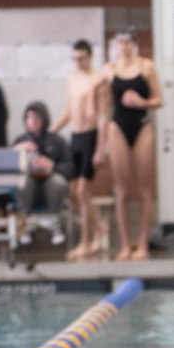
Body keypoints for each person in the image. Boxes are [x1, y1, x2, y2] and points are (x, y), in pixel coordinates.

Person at [98, 28, 162, 261]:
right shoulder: (108, 70)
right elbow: (104, 107)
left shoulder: (146, 66)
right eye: (119, 43)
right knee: (122, 190)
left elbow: (159, 100)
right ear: (114, 46)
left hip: (142, 125)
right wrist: (99, 146)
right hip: (117, 127)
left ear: (134, 44)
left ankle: (143, 244)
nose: (123, 47)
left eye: (127, 43)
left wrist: (141, 101)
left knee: (145, 190)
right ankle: (126, 245)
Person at [52, 39, 106, 261]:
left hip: (91, 136)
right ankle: (99, 227)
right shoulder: (72, 79)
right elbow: (68, 112)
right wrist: (51, 131)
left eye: (81, 58)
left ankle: (85, 242)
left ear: (90, 57)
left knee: (84, 190)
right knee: (73, 192)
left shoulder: (98, 80)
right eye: (74, 59)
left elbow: (102, 116)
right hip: (74, 137)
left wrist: (100, 148)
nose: (78, 63)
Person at [12, 103, 74, 246]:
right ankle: (23, 228)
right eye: (28, 118)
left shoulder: (57, 140)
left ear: (44, 118)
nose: (32, 121)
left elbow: (70, 168)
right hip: (28, 184)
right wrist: (17, 151)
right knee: (21, 184)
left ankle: (54, 224)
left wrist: (51, 165)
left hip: (49, 184)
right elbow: (7, 169)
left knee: (57, 182)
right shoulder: (20, 141)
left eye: (36, 117)